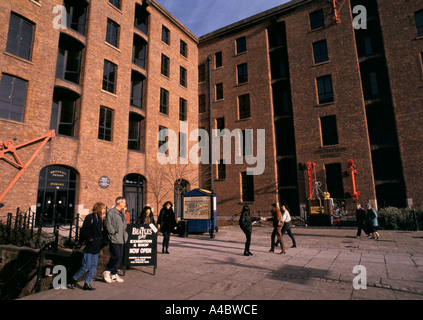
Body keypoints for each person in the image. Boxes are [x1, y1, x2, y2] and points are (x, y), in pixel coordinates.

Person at [69, 202, 106, 291]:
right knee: (86, 265)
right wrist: (89, 238)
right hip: (90, 245)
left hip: (96, 245)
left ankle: (87, 283)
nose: (104, 210)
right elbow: (84, 230)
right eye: (103, 208)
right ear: (99, 209)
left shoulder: (100, 219)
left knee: (94, 265)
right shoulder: (90, 217)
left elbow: (101, 231)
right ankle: (73, 278)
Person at [103, 197, 128, 283]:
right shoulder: (111, 212)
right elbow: (108, 224)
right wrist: (113, 232)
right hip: (114, 238)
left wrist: (125, 234)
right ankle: (107, 271)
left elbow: (124, 224)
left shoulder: (123, 212)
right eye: (124, 202)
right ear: (119, 203)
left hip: (122, 238)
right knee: (116, 255)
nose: (125, 204)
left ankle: (114, 273)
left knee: (120, 256)